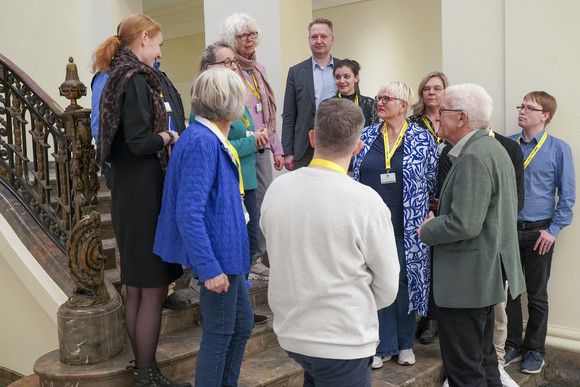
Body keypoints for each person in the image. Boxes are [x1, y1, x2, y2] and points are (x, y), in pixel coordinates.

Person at [261, 98, 400, 387]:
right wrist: (353, 309)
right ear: (358, 147)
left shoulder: (277, 188)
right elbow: (388, 286)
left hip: (293, 331)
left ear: (312, 138)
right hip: (341, 338)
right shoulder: (365, 201)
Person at [94, 14, 190, 386]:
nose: (160, 50)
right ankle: (147, 377)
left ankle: (146, 370)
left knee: (136, 289)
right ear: (145, 38)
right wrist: (169, 136)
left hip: (131, 192)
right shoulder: (134, 79)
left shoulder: (118, 74)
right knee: (149, 290)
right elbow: (138, 141)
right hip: (143, 194)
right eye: (160, 43)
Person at [417, 83, 525, 386]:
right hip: (479, 279)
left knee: (464, 370)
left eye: (442, 111)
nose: (436, 116)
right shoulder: (490, 148)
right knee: (484, 362)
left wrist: (428, 228)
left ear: (461, 117)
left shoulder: (475, 156)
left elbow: (465, 224)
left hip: (465, 283)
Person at [154, 67, 254, 387]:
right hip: (218, 257)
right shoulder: (201, 140)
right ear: (229, 102)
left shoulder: (208, 136)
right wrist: (209, 268)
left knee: (241, 325)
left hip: (229, 252)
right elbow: (188, 212)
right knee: (221, 332)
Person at [352, 81, 439, 369]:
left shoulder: (423, 140)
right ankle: (382, 344)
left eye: (386, 98)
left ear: (403, 105)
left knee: (402, 284)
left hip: (407, 226)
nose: (379, 102)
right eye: (378, 98)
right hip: (369, 227)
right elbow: (354, 175)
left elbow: (430, 182)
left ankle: (404, 344)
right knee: (374, 283)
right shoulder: (365, 136)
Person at [188, 41, 269, 326]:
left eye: (235, 61)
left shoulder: (237, 94)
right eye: (227, 62)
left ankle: (239, 302)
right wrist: (252, 140)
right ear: (211, 68)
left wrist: (254, 139)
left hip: (245, 176)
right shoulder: (205, 110)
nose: (234, 65)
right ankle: (228, 305)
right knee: (236, 246)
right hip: (229, 181)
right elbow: (221, 144)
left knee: (249, 242)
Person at [505, 91, 576, 374]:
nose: (522, 110)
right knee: (508, 293)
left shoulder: (559, 149)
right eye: (521, 106)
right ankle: (512, 344)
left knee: (536, 295)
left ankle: (535, 349)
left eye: (529, 107)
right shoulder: (507, 144)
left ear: (545, 115)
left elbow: (567, 197)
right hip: (508, 232)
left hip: (539, 235)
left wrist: (553, 230)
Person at [220, 13, 282, 278]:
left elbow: (268, 116)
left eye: (252, 34)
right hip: (241, 145)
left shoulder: (259, 69)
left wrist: (276, 148)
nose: (248, 40)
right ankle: (251, 258)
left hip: (263, 145)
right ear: (232, 41)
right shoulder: (227, 71)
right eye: (242, 35)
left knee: (265, 202)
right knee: (247, 205)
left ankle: (259, 254)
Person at [407, 71, 449, 345]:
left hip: (447, 197)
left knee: (441, 262)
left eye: (437, 88)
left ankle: (434, 318)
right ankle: (420, 316)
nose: (431, 93)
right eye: (426, 89)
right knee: (421, 262)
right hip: (419, 201)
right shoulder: (412, 123)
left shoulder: (456, 120)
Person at [282, 18, 339, 170]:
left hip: (337, 143)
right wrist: (287, 152)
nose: (318, 41)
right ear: (309, 40)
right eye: (314, 37)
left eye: (323, 36)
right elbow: (289, 114)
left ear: (332, 40)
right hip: (304, 148)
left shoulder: (344, 69)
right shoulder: (296, 72)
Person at [332, 58, 378, 127]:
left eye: (346, 76)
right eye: (337, 77)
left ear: (356, 78)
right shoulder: (327, 105)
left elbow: (374, 134)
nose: (341, 81)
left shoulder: (370, 104)